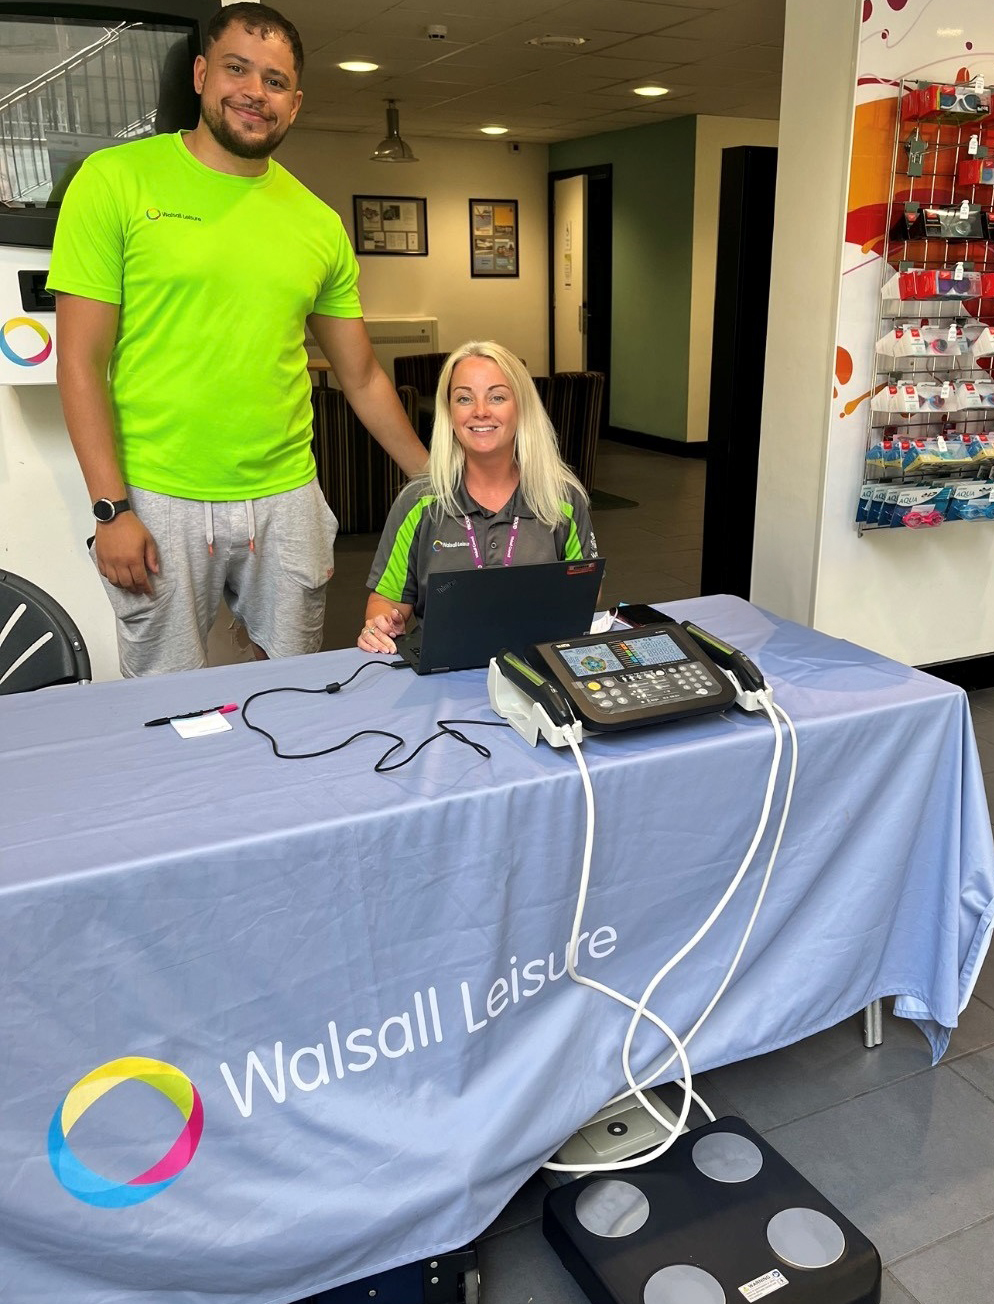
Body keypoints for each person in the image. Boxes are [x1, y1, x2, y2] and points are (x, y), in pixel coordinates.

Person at [48, 2, 426, 676]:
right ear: (200, 74)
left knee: (291, 686)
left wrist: (433, 476)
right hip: (160, 493)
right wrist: (111, 509)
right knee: (165, 699)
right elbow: (80, 361)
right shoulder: (114, 182)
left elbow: (362, 375)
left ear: (296, 101)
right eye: (237, 70)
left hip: (286, 496)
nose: (256, 92)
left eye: (275, 81)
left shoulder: (316, 223)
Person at [360, 341, 597, 653]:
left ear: (522, 407)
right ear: (449, 412)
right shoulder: (419, 502)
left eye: (497, 397)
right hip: (443, 672)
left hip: (537, 665)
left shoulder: (562, 498)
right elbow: (386, 601)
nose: (480, 412)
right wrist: (380, 624)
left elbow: (585, 594)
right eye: (464, 398)